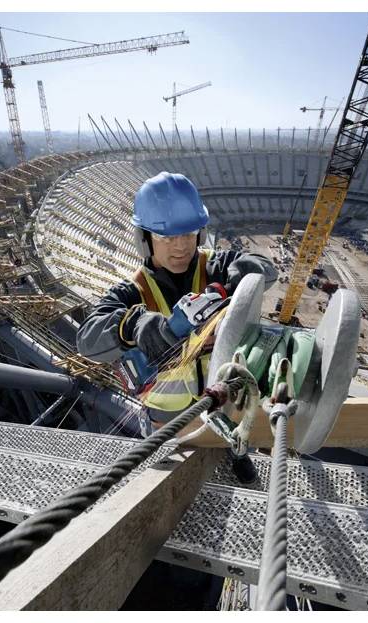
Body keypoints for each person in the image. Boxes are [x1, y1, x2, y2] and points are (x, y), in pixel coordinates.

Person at [77, 172, 278, 483]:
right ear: (145, 238)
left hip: (226, 410)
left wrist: (244, 271)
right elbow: (88, 338)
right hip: (168, 429)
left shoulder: (216, 265)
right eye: (167, 237)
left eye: (188, 234)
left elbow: (264, 267)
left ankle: (238, 457)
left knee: (241, 477)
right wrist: (136, 325)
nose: (182, 246)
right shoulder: (133, 292)